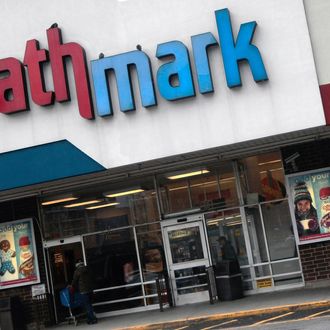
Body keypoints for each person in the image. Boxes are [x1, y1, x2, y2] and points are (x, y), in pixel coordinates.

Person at [71, 260, 97, 325]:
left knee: (87, 306)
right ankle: (89, 319)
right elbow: (93, 277)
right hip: (90, 290)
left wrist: (72, 286)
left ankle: (93, 319)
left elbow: (74, 281)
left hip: (83, 291)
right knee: (89, 305)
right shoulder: (88, 269)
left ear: (77, 265)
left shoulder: (77, 271)